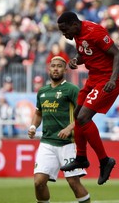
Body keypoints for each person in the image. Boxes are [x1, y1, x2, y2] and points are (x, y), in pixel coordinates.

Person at [57, 11, 119, 185]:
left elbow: (117, 54)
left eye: (65, 30)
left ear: (74, 24)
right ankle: (81, 157)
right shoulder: (77, 35)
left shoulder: (95, 31)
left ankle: (105, 161)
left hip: (109, 79)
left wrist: (112, 79)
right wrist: (76, 60)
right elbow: (87, 54)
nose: (65, 35)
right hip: (94, 77)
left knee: (83, 117)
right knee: (78, 114)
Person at [28, 56, 90, 203]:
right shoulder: (42, 91)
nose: (56, 68)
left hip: (67, 143)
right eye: (53, 66)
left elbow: (84, 113)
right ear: (49, 69)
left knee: (73, 182)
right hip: (47, 143)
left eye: (59, 66)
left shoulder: (72, 89)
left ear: (65, 69)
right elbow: (38, 113)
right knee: (38, 182)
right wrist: (32, 126)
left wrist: (70, 128)